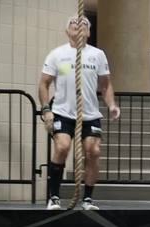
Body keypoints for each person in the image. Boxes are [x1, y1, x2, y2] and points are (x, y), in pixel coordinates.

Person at [39, 15, 120, 211]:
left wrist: (112, 105)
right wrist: (46, 109)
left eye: (84, 24)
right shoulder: (57, 54)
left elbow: (106, 85)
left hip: (89, 114)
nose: (79, 25)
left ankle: (88, 199)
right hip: (63, 112)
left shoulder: (97, 55)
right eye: (74, 23)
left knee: (93, 152)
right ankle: (54, 197)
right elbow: (44, 83)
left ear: (89, 32)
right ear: (67, 31)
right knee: (62, 147)